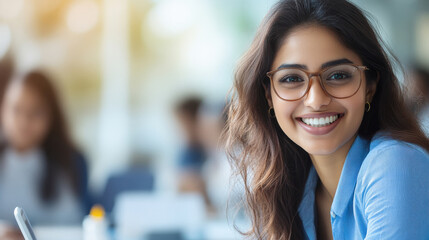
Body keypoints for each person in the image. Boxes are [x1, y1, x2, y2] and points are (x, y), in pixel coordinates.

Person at [223, 0, 429, 239]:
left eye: (338, 75)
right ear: (269, 95)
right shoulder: (290, 188)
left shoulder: (396, 164)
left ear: (370, 87)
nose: (316, 100)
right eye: (291, 79)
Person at [0, 71, 90, 240]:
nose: (23, 121)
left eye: (35, 112)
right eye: (16, 109)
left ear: (51, 117)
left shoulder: (69, 163)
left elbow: (75, 226)